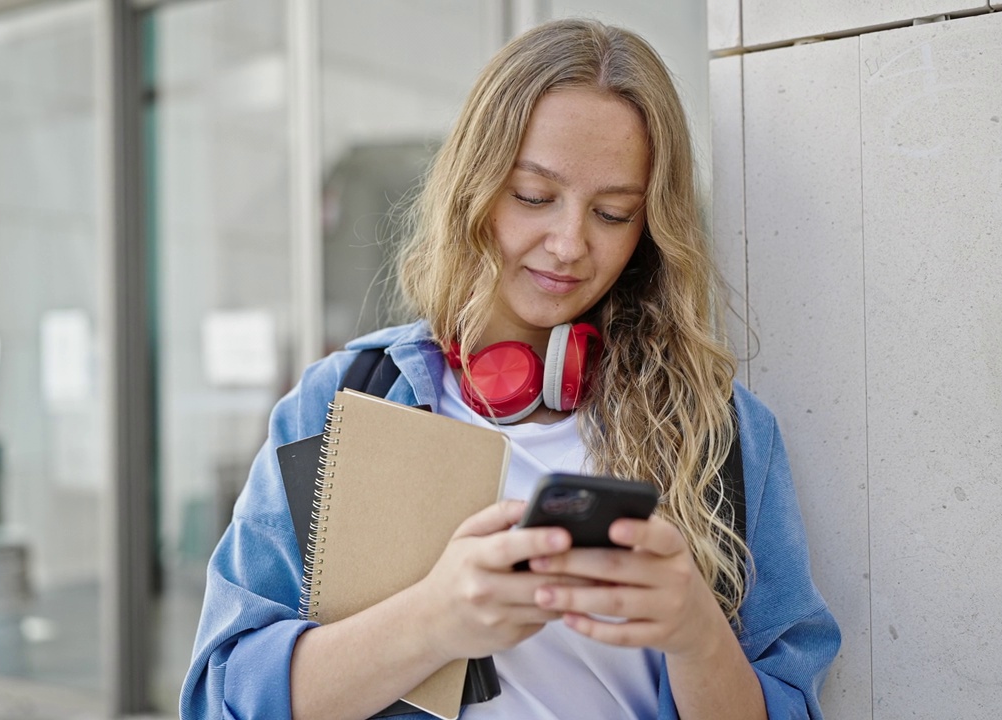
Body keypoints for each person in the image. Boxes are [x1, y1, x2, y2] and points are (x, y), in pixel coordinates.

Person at [181, 17, 839, 720]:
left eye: (614, 214)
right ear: (476, 185)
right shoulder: (343, 401)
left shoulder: (723, 432)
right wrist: (432, 622)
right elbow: (224, 697)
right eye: (533, 196)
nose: (568, 244)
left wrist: (696, 634)